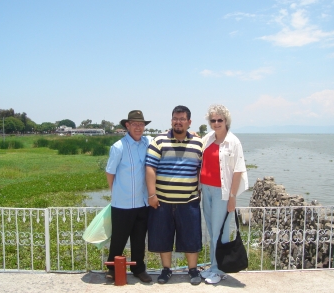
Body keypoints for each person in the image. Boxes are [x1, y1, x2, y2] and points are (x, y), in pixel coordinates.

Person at [146, 105, 203, 285]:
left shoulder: (198, 143)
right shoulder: (159, 141)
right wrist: (152, 195)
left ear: (189, 122)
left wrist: (200, 190)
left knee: (191, 237)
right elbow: (150, 168)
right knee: (163, 237)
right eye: (175, 119)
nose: (178, 122)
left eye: (182, 119)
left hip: (189, 201)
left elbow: (202, 169)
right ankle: (166, 270)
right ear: (171, 121)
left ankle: (193, 270)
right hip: (162, 201)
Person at [199, 104, 249, 284]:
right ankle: (213, 266)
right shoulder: (208, 138)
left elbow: (238, 171)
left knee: (221, 232)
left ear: (226, 121)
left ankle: (219, 270)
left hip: (223, 192)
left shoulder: (233, 142)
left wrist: (233, 197)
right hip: (206, 189)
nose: (216, 123)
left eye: (220, 120)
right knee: (212, 230)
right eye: (213, 120)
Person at [105, 110, 153, 283]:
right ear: (127, 125)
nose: (138, 127)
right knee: (118, 239)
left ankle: (138, 268)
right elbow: (110, 173)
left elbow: (165, 137)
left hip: (143, 202)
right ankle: (112, 268)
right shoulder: (118, 147)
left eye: (141, 124)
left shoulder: (148, 143)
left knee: (139, 239)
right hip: (122, 204)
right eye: (134, 124)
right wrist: (116, 192)